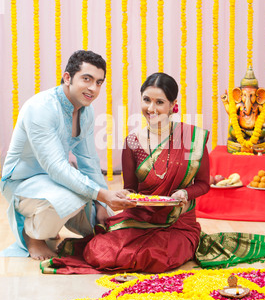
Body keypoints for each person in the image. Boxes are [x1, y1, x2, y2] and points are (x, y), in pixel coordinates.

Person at [45, 72, 210, 274]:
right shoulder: (133, 142)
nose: (151, 108)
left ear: (172, 104)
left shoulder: (190, 138)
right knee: (99, 252)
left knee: (157, 257)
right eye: (146, 100)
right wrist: (126, 197)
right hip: (140, 217)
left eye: (160, 102)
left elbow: (203, 183)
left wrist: (185, 194)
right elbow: (131, 187)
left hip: (178, 221)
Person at [0, 50, 133, 260]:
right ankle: (32, 236)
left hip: (56, 182)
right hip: (21, 182)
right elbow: (55, 167)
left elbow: (89, 163)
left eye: (99, 82)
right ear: (67, 77)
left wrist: (102, 204)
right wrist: (100, 194)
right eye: (87, 79)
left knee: (106, 223)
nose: (93, 88)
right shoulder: (41, 108)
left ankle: (49, 228)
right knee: (73, 197)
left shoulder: (86, 111)